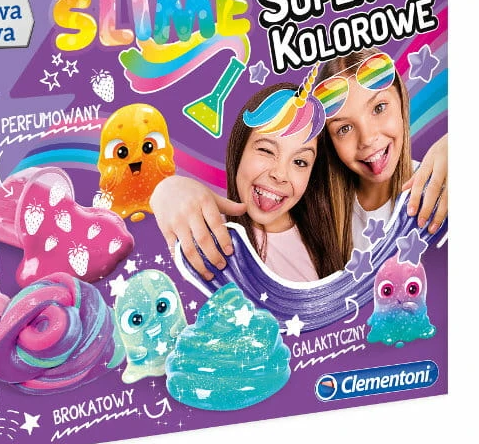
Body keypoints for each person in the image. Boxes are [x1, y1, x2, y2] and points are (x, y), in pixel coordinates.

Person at [151, 83, 344, 282]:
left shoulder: (331, 238)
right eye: (266, 150)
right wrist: (166, 190)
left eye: (300, 162)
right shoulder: (206, 228)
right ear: (240, 149)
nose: (280, 174)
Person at [314, 48, 448, 261]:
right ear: (330, 142)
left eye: (379, 108)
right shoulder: (319, 217)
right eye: (344, 128)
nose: (367, 139)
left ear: (402, 101)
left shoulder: (442, 186)